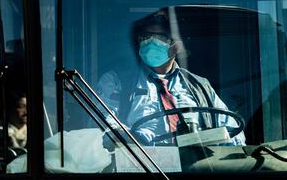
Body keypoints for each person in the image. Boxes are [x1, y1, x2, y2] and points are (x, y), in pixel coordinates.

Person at [95, 8, 246, 146]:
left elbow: (233, 133)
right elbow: (102, 123)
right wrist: (131, 139)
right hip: (141, 165)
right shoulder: (116, 81)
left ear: (176, 46)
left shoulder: (200, 85)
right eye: (145, 36)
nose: (149, 42)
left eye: (158, 37)